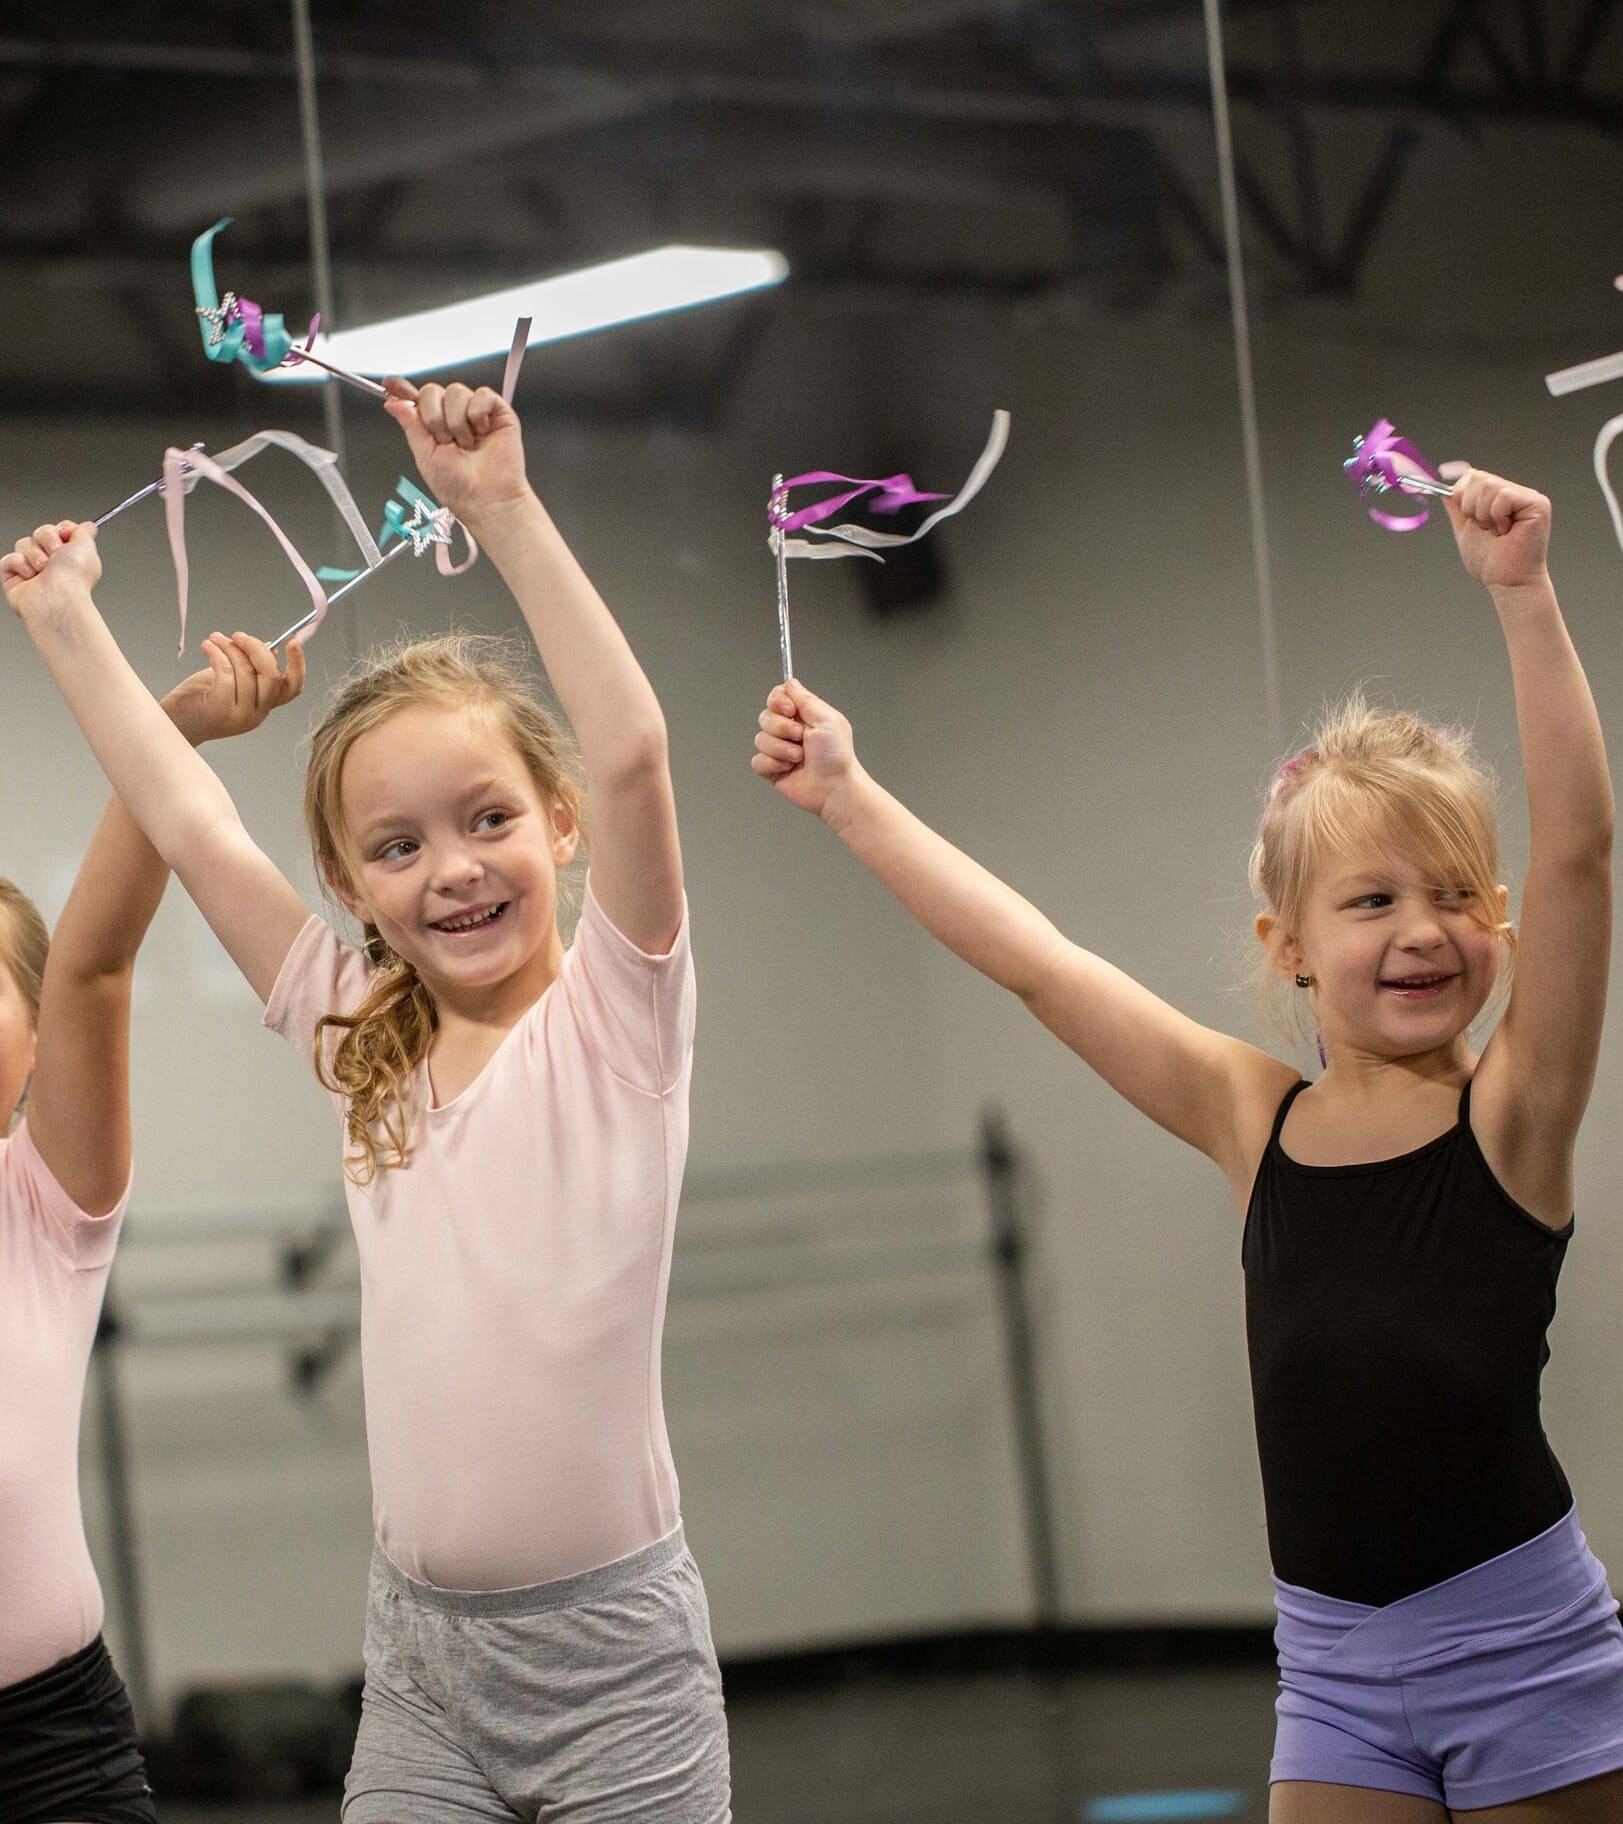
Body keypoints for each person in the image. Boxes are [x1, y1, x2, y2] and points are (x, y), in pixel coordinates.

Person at [752, 467, 1623, 1820]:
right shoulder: (1252, 1116)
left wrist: (1523, 598)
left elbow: (1580, 854)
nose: (1422, 929)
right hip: (1333, 1668)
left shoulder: (1513, 1116)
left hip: (1522, 1654)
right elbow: (1039, 965)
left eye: (1457, 896)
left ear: (1500, 927)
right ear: (1290, 950)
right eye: (1374, 898)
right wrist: (852, 798)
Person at [5, 380, 729, 1824]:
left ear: (560, 822)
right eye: (396, 847)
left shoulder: (617, 1025)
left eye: (489, 819)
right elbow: (193, 824)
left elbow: (636, 745)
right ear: (353, 893)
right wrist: (66, 624)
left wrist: (501, 507)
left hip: (617, 1667)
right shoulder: (366, 1047)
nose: (452, 868)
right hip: (419, 1669)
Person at [0, 532, 304, 1824]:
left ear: (28, 1032)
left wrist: (172, 729)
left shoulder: (43, 1205)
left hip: (50, 1744)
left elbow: (98, 961)